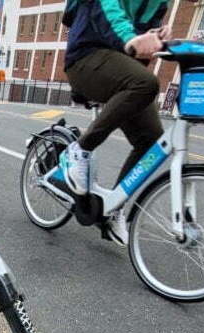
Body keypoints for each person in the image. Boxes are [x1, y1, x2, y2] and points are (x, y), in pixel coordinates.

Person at [59, 0, 171, 245]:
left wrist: (154, 38)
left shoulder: (161, 3)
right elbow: (108, 10)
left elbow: (142, 44)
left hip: (119, 66)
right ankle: (79, 150)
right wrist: (130, 40)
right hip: (85, 57)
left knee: (151, 141)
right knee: (147, 84)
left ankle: (114, 209)